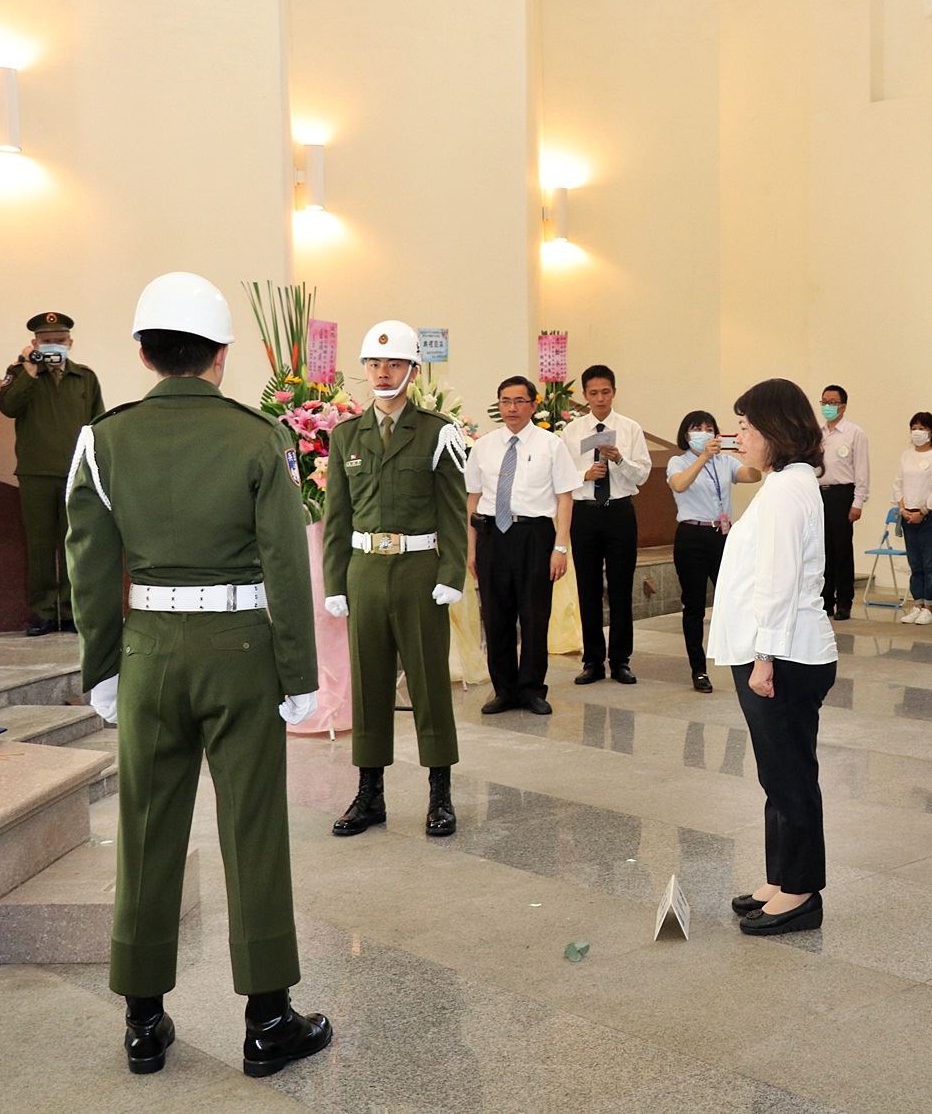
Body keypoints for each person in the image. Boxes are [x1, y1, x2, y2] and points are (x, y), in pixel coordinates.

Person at [65, 272, 330, 1078]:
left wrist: (104, 666)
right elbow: (287, 562)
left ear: (144, 354)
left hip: (148, 650)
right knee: (251, 825)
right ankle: (267, 1019)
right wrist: (298, 671)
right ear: (220, 355)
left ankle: (144, 1020)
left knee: (146, 826)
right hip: (241, 651)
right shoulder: (258, 438)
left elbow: (87, 561)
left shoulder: (102, 439)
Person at [322, 322, 470, 838]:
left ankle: (440, 794)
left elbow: (453, 511)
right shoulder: (345, 437)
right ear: (364, 369)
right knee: (368, 684)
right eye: (374, 364)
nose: (383, 373)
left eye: (394, 365)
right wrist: (335, 583)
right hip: (365, 572)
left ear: (413, 370)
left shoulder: (438, 432)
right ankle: (370, 795)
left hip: (418, 571)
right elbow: (337, 518)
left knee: (430, 683)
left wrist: (452, 572)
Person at [710, 378, 838, 937]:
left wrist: (765, 658)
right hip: (776, 650)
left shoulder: (788, 490)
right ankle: (781, 877)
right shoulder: (786, 482)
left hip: (783, 655)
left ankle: (802, 892)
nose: (739, 435)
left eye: (746, 426)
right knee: (779, 771)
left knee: (789, 776)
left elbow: (782, 583)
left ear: (774, 431)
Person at [466, 376, 581, 717]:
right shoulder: (484, 446)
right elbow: (472, 498)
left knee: (533, 616)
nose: (511, 408)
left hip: (534, 536)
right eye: (505, 401)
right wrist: (472, 549)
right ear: (498, 405)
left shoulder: (550, 444)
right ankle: (504, 690)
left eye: (519, 401)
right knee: (496, 616)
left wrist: (560, 548)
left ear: (533, 404)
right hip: (491, 537)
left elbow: (565, 498)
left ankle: (531, 689)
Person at [0, 310, 105, 635]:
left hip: (75, 474)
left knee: (74, 544)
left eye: (59, 341)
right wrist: (29, 370)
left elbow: (97, 424)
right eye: (47, 342)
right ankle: (44, 612)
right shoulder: (20, 373)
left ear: (70, 342)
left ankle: (72, 611)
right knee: (41, 547)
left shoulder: (85, 378)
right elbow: (8, 407)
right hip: (35, 474)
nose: (54, 346)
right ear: (34, 343)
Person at [561, 364, 652, 685]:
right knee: (587, 588)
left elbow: (642, 474)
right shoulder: (572, 432)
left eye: (606, 392)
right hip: (584, 513)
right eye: (593, 393)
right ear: (585, 395)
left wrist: (619, 460)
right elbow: (559, 477)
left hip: (619, 512)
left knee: (620, 587)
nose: (600, 398)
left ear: (614, 392)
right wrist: (583, 475)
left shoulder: (630, 429)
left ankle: (621, 660)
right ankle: (593, 661)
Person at [666, 410, 761, 691]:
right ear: (687, 434)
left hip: (722, 535)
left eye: (710, 427)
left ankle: (742, 662)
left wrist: (750, 453)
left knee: (732, 598)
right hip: (691, 536)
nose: (705, 432)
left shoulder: (725, 461)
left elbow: (752, 476)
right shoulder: (677, 461)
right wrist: (704, 457)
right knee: (694, 604)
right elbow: (679, 485)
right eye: (698, 428)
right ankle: (698, 669)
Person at [892, 411, 932, 624]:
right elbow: (898, 483)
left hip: (931, 516)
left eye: (922, 428)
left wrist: (923, 511)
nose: (917, 432)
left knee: (929, 562)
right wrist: (902, 508)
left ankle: (929, 606)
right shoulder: (907, 455)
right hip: (908, 515)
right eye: (914, 428)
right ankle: (917, 603)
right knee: (915, 563)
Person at [816, 384, 869, 620]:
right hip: (819, 494)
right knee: (822, 551)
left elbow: (862, 471)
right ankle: (825, 600)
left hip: (842, 495)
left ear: (843, 406)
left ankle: (844, 601)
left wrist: (857, 502)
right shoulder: (817, 434)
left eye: (832, 402)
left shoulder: (854, 432)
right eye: (824, 402)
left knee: (842, 551)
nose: (828, 406)